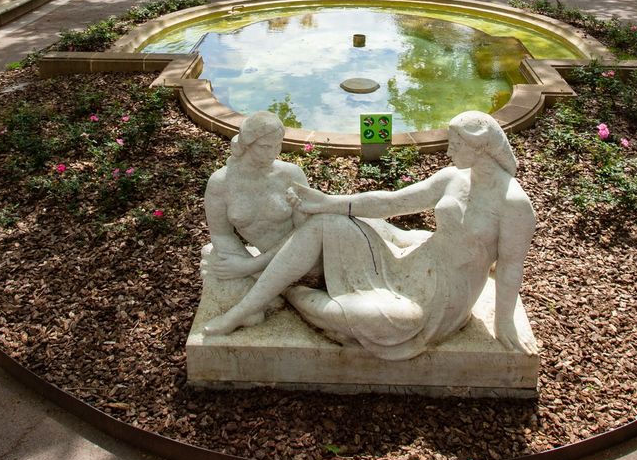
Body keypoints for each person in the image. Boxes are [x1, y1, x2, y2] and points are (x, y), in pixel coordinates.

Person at [202, 111, 537, 360]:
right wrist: (331, 202)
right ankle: (245, 307)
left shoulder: (514, 204)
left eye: (455, 145)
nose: (448, 152)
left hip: (447, 297)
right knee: (326, 222)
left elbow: (510, 267)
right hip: (414, 264)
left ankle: (288, 293)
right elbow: (391, 202)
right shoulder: (454, 177)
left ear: (479, 147)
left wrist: (504, 320)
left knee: (390, 321)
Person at [200, 111, 311, 283]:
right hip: (271, 265)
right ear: (246, 145)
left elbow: (306, 231)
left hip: (305, 257)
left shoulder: (291, 174)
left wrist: (250, 267)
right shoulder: (221, 183)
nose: (273, 154)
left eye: (278, 146)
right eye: (265, 147)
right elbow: (221, 235)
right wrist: (245, 264)